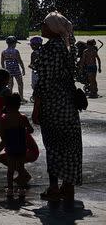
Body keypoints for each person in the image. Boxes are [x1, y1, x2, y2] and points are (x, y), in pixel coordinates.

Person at [32, 11, 82, 203]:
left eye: (44, 25)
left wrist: (37, 108)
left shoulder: (48, 50)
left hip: (53, 105)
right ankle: (68, 187)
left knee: (53, 146)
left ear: (53, 28)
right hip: (69, 104)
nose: (41, 27)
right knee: (70, 146)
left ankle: (54, 187)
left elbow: (43, 82)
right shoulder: (68, 47)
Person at [0, 93, 35, 199]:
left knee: (10, 169)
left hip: (10, 147)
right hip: (21, 147)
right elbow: (31, 130)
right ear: (19, 105)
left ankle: (10, 190)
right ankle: (22, 190)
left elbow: (2, 135)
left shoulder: (4, 118)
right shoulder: (22, 117)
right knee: (20, 168)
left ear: (7, 105)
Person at [1, 36, 26, 102]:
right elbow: (20, 61)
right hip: (16, 70)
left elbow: (2, 62)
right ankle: (21, 97)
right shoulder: (16, 51)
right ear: (13, 43)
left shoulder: (4, 52)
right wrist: (23, 68)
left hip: (8, 70)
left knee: (10, 85)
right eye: (15, 44)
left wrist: (4, 70)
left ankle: (9, 98)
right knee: (20, 83)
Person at [28, 36, 43, 102]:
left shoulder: (34, 53)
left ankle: (36, 96)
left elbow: (32, 64)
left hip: (35, 72)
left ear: (35, 45)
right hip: (42, 72)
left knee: (35, 85)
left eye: (31, 45)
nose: (30, 46)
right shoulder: (43, 52)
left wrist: (30, 66)